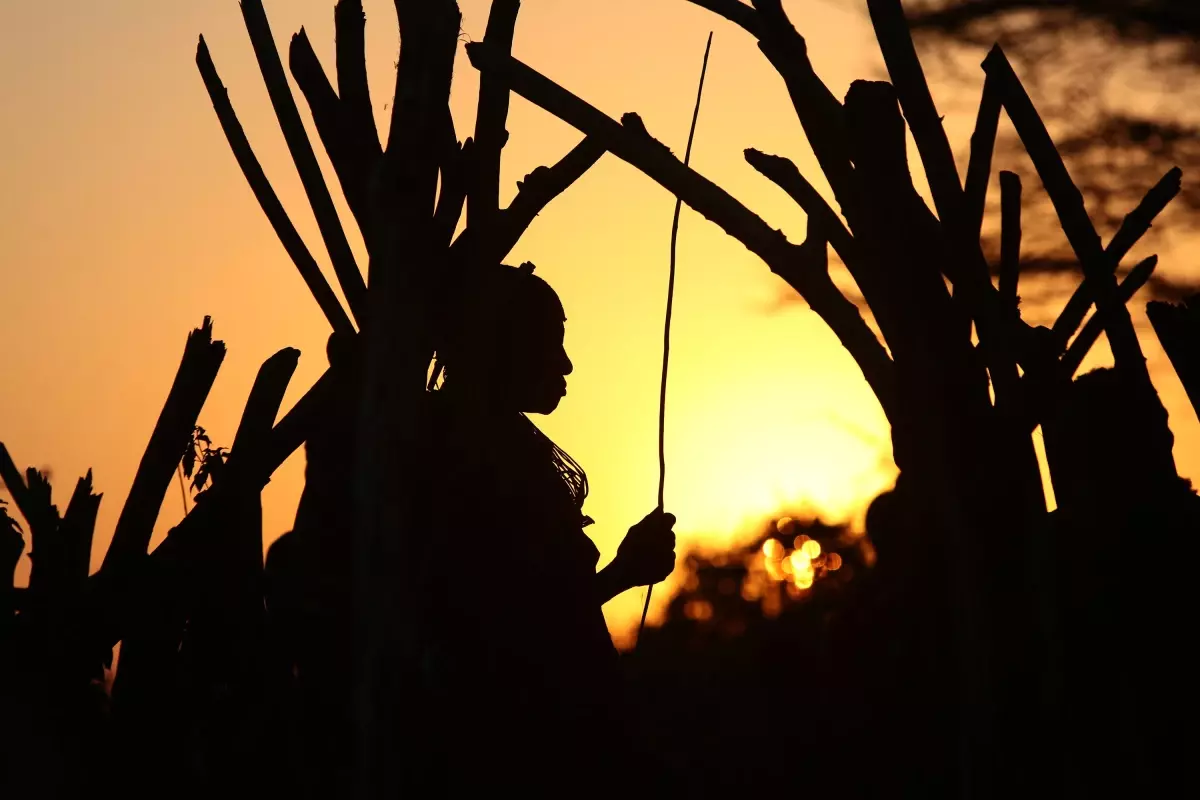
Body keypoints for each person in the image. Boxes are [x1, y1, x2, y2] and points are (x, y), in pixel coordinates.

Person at [411, 261, 676, 793]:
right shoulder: (472, 459)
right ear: (502, 349)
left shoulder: (497, 446)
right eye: (547, 342)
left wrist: (622, 573)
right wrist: (622, 573)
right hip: (522, 748)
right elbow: (517, 623)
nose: (566, 364)